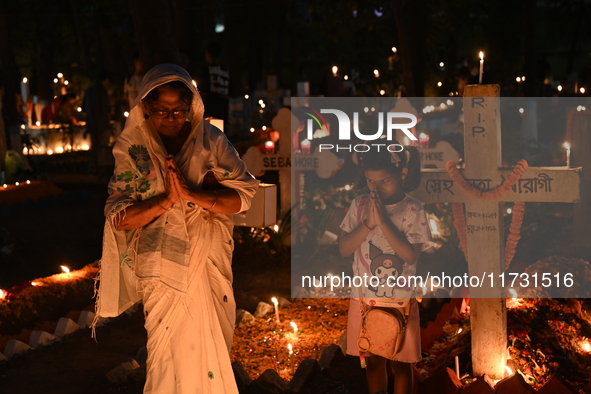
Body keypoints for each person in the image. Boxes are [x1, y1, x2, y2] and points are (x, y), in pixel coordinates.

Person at [94, 63, 258, 393]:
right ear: (146, 108)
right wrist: (166, 201)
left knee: (210, 348)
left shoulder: (211, 141)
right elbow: (119, 216)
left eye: (178, 110)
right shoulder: (132, 149)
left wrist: (194, 195)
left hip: (207, 258)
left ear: (191, 106)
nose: (170, 118)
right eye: (161, 111)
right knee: (164, 356)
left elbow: (244, 195)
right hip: (160, 268)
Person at [338, 145, 432, 394]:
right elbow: (344, 248)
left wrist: (383, 220)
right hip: (365, 300)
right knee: (373, 360)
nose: (376, 188)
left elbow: (410, 255)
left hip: (399, 302)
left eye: (385, 180)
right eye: (371, 180)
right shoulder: (359, 206)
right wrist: (368, 223)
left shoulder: (412, 209)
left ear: (403, 172)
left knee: (401, 363)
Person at [82, 72, 112, 173]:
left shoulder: (88, 91)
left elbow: (84, 108)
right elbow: (104, 109)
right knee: (103, 148)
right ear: (106, 80)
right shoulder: (102, 92)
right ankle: (102, 170)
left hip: (91, 124)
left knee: (94, 149)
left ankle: (93, 168)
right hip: (102, 125)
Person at [200, 42, 230, 123]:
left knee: (210, 129)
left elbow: (205, 87)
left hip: (211, 103)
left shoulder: (207, 69)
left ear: (209, 54)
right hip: (224, 103)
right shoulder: (225, 70)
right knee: (221, 129)